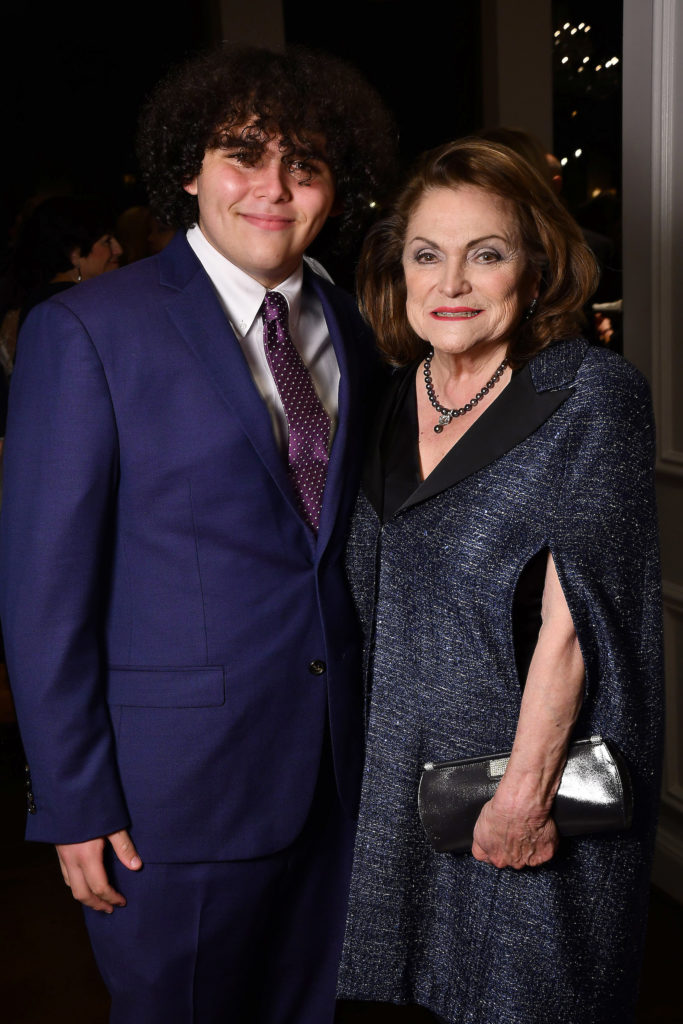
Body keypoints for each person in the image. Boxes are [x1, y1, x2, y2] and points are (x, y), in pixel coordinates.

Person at [0, 43, 396, 1024]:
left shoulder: (351, 327)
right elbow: (44, 594)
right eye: (243, 155)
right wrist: (72, 798)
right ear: (188, 168)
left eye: (305, 163)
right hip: (169, 800)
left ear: (335, 186)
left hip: (333, 776)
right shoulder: (87, 330)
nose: (273, 187)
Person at [336, 138, 663, 1023]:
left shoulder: (588, 394)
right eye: (426, 255)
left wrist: (521, 798)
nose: (451, 283)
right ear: (397, 270)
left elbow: (576, 622)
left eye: (485, 254)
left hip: (518, 792)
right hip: (392, 791)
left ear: (536, 266)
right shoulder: (381, 399)